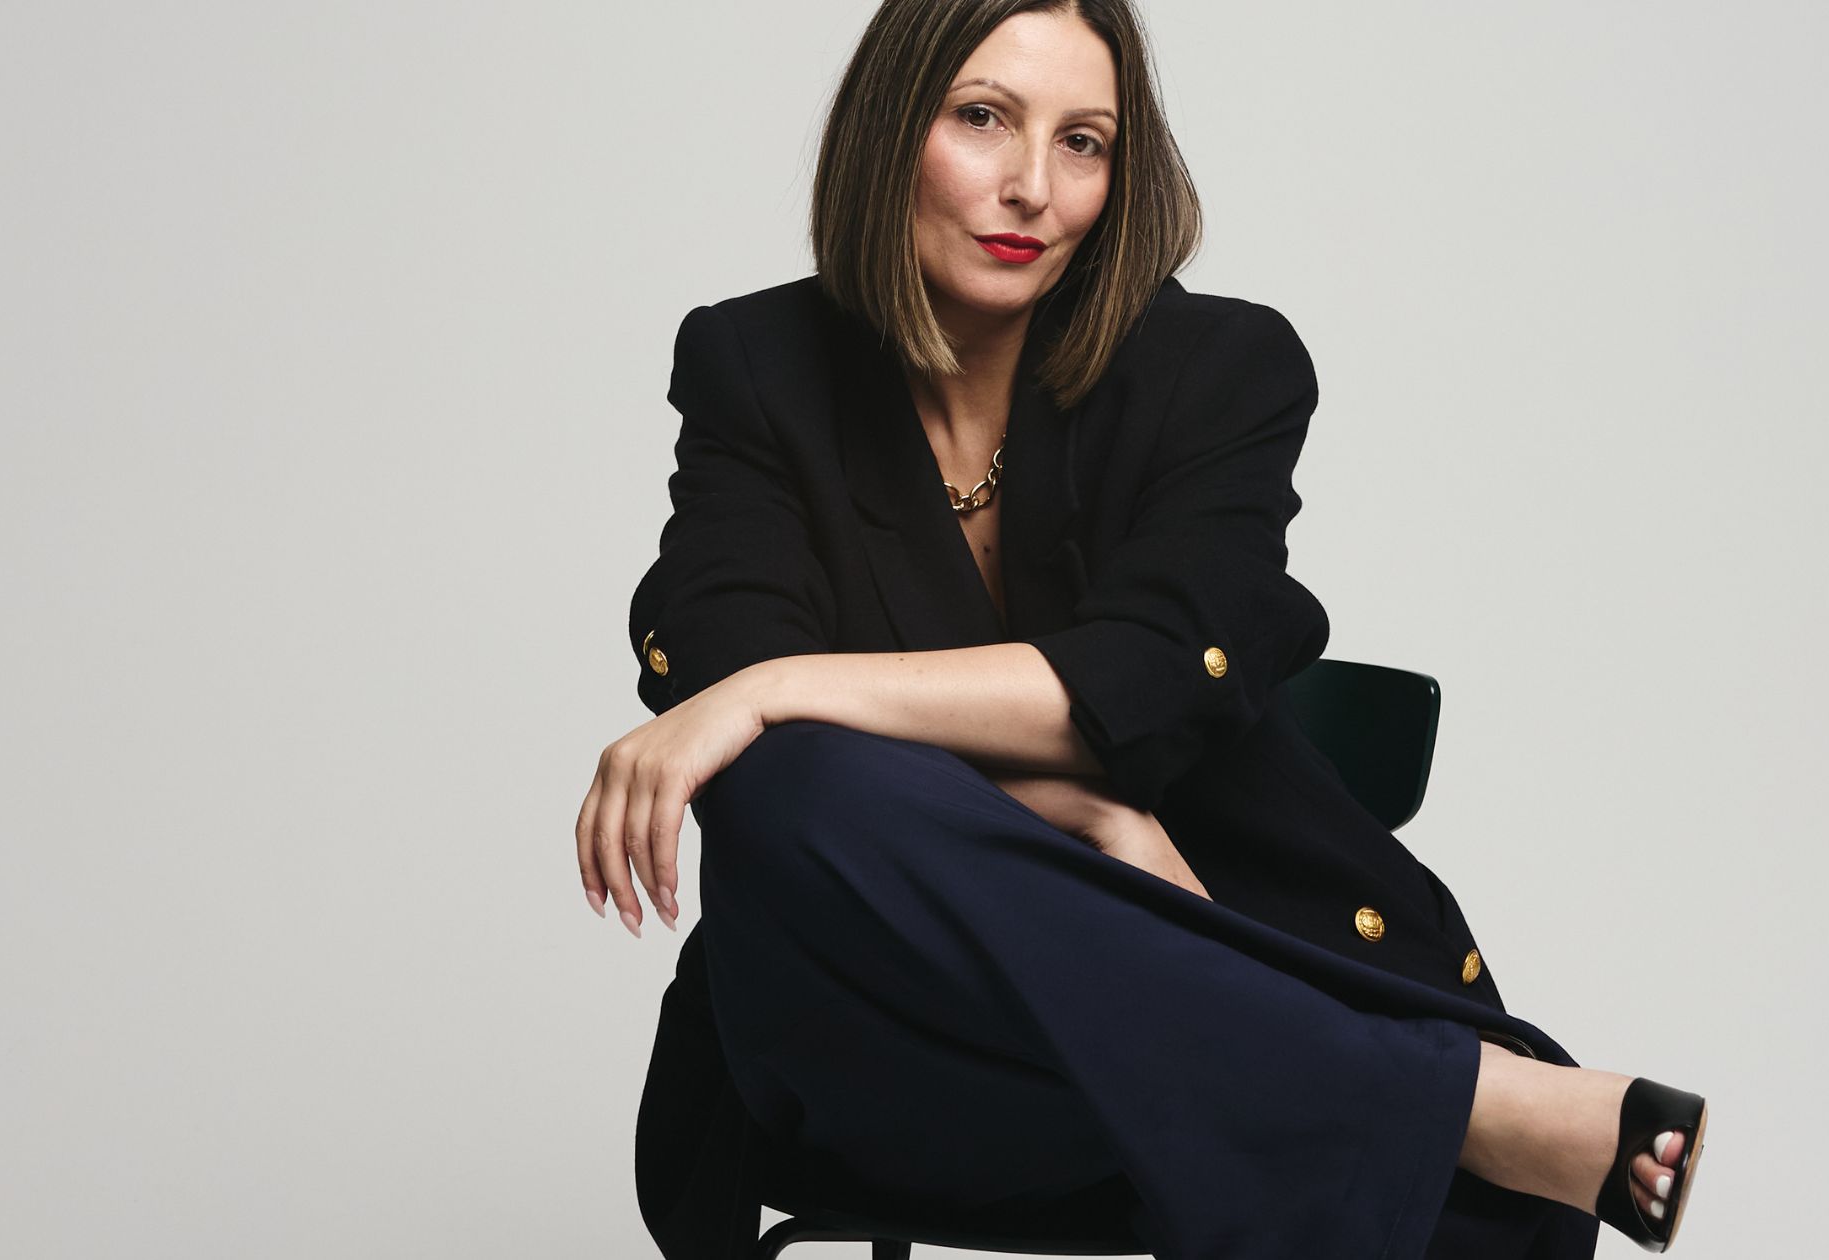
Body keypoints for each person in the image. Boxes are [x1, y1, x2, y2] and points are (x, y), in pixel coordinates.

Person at [574, 2, 1712, 1257]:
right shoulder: (756, 364)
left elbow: (1156, 672)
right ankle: (1450, 1102)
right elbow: (726, 668)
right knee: (792, 785)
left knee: (1413, 1196)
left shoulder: (1218, 368)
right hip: (901, 1056)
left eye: (1083, 142)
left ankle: (1371, 1104)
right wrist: (1087, 813)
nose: (1031, 186)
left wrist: (779, 689)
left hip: (1176, 1027)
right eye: (981, 118)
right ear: (888, 128)